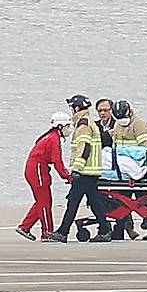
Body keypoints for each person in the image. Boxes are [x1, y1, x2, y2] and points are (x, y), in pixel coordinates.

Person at [47, 94, 111, 243]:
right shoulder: (90, 122)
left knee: (73, 201)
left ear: (76, 108)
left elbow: (84, 147)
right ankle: (104, 230)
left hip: (85, 172)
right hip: (92, 171)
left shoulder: (83, 124)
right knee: (95, 202)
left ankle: (63, 232)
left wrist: (76, 168)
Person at [16, 112, 73, 241]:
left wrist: (65, 175)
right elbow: (57, 161)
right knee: (45, 202)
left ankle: (25, 227)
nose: (69, 129)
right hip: (37, 171)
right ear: (60, 126)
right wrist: (67, 176)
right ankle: (47, 232)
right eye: (68, 126)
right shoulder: (54, 139)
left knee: (42, 201)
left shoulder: (50, 137)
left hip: (36, 170)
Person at [110, 99, 147, 240]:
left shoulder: (139, 125)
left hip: (138, 169)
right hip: (122, 172)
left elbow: (145, 147)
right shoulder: (117, 124)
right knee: (122, 202)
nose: (121, 120)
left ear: (129, 111)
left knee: (144, 200)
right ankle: (119, 230)